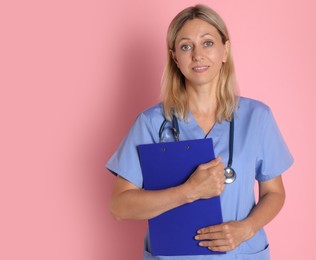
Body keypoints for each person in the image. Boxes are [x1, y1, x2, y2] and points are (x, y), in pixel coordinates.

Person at [106, 4, 293, 260]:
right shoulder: (151, 123)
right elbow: (120, 206)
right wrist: (189, 191)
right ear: (175, 58)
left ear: (225, 50)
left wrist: (246, 229)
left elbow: (274, 192)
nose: (197, 54)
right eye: (186, 46)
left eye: (207, 43)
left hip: (239, 254)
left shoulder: (257, 117)